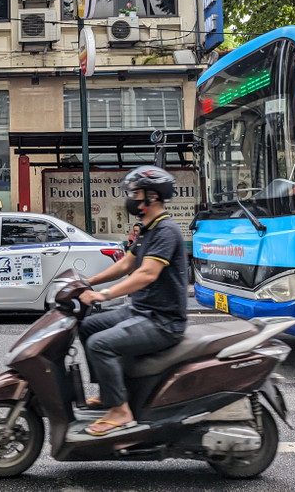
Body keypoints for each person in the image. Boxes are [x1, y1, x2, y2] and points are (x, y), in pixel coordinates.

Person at [76, 166, 188, 436]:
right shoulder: (147, 230)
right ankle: (109, 393)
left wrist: (104, 295)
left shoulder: (166, 231)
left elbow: (146, 273)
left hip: (162, 320)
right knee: (88, 326)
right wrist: (89, 282)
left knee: (100, 344)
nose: (131, 198)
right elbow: (127, 264)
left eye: (135, 193)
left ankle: (120, 411)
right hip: (140, 311)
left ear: (153, 196)